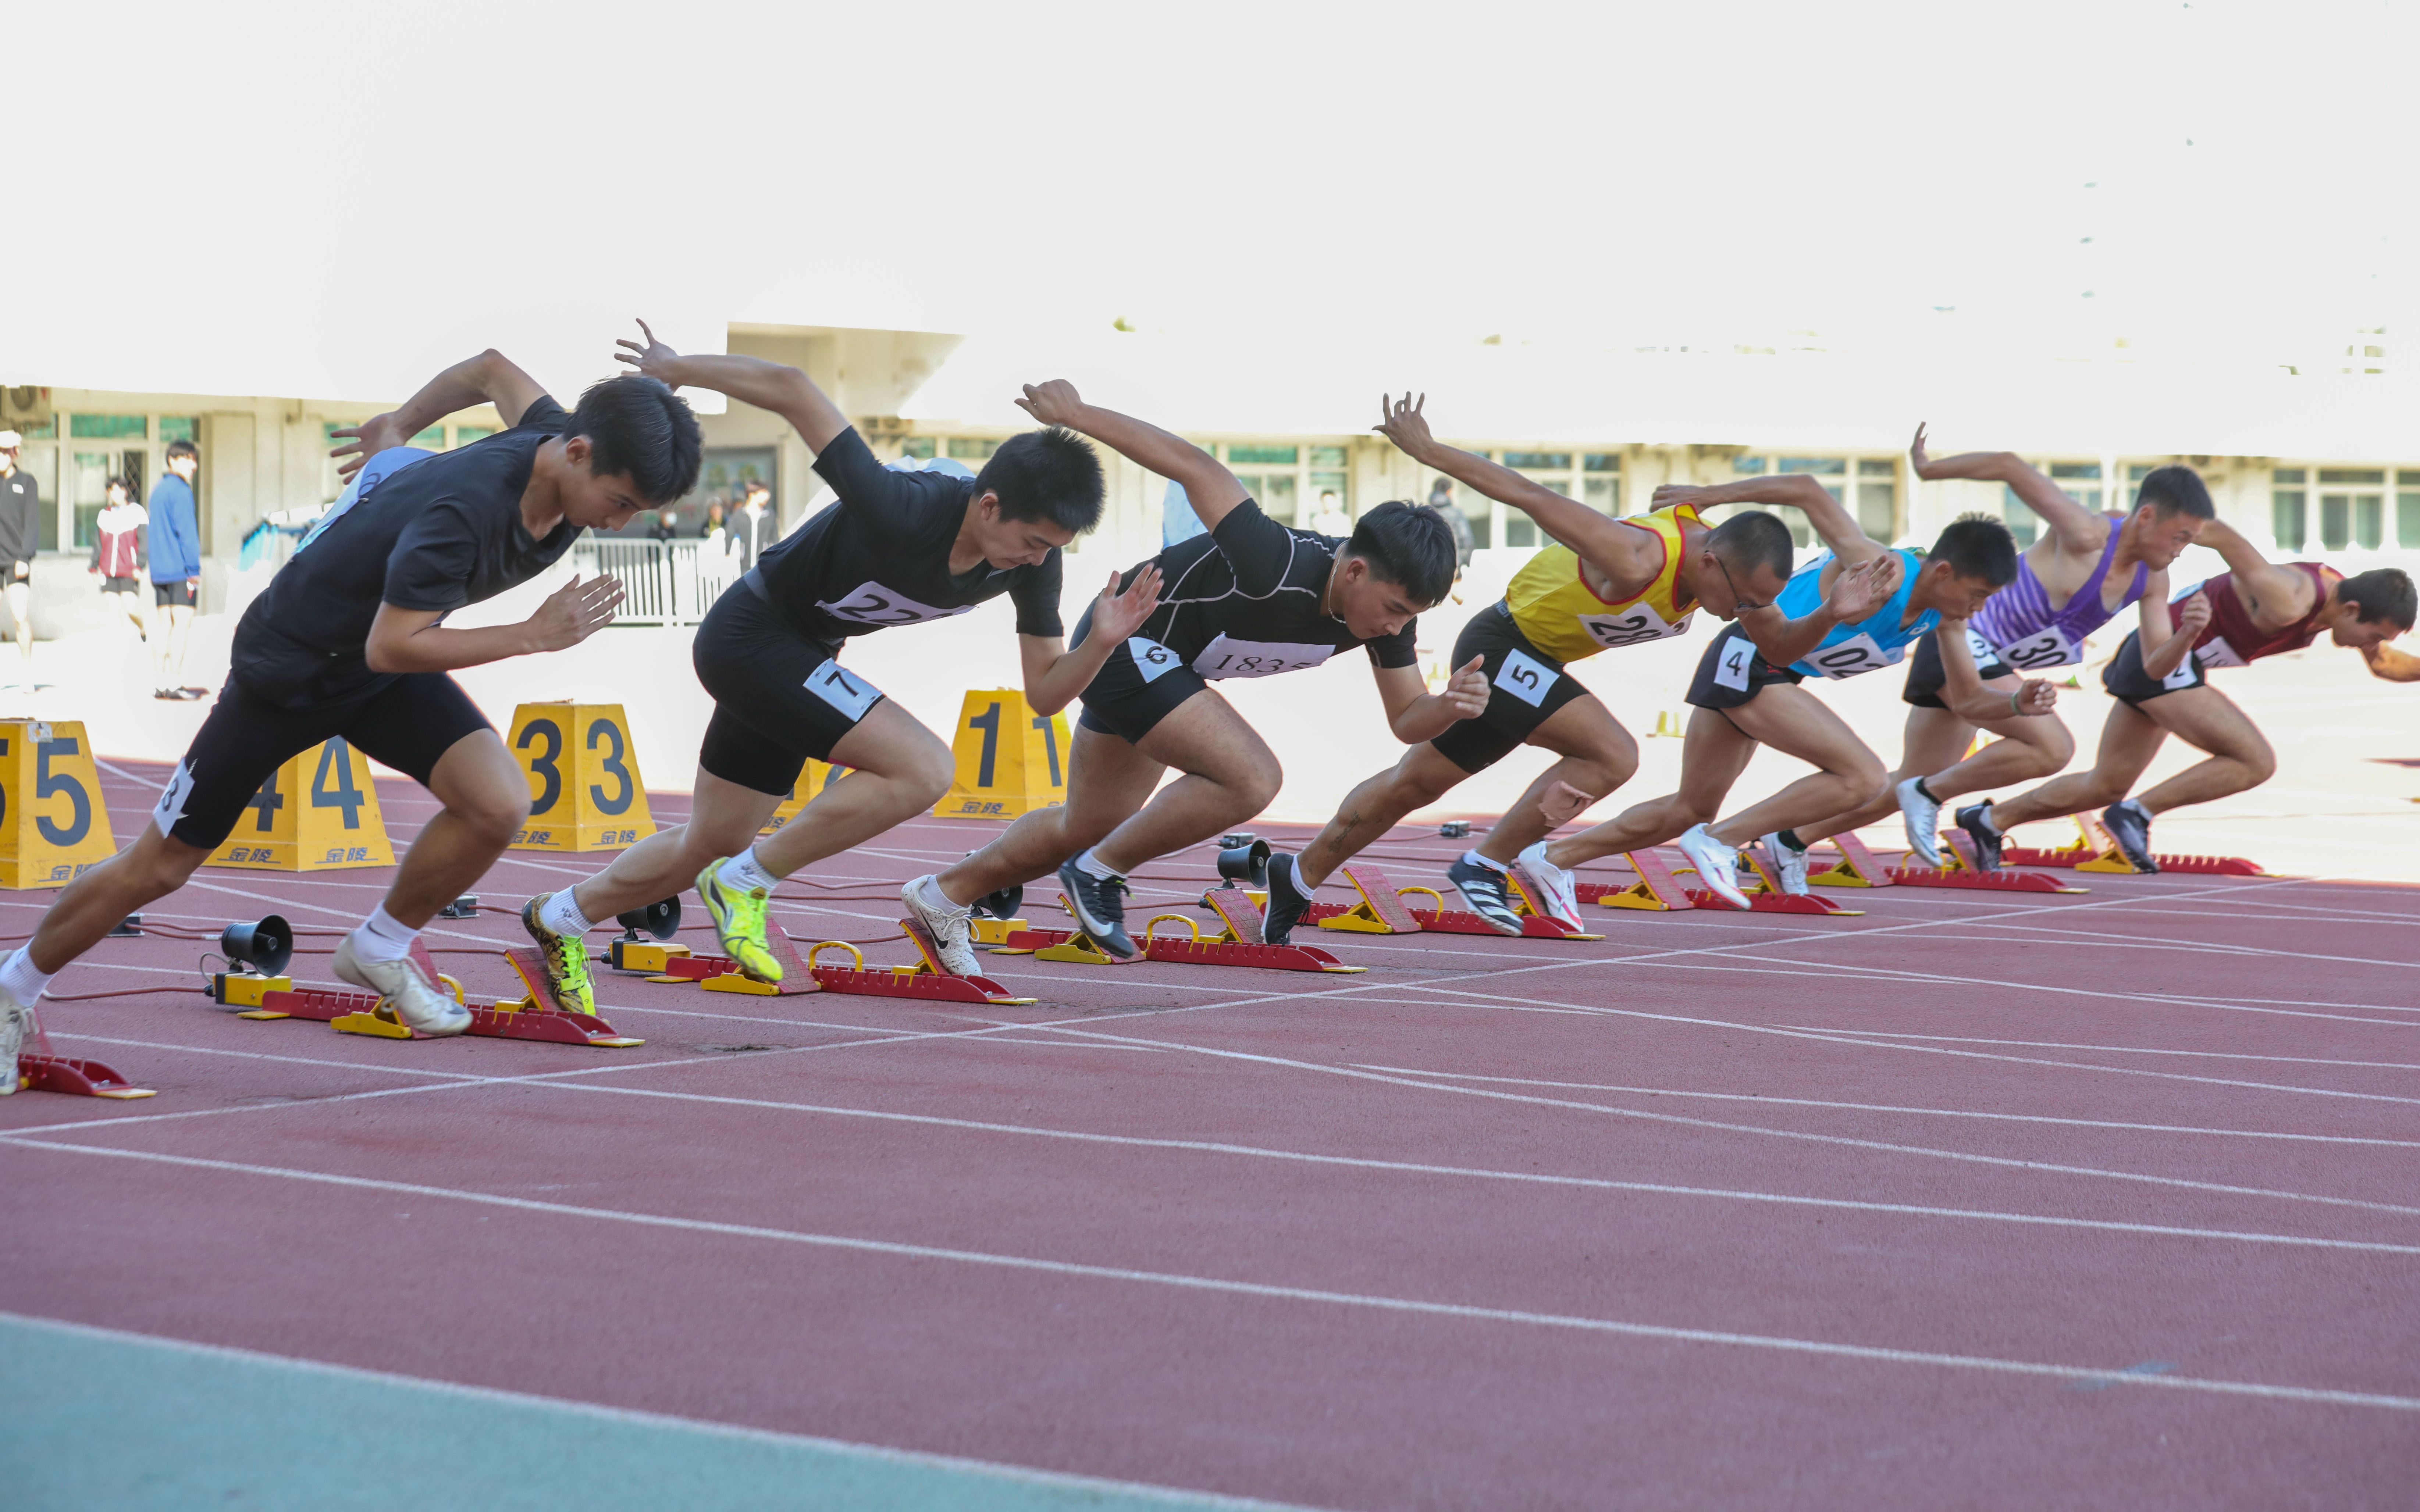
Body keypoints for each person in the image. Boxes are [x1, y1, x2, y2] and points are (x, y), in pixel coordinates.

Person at [0, 346, 696, 1083]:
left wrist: (398, 423)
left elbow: (491, 367)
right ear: (579, 453)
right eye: (619, 503)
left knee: (498, 801)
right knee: (161, 866)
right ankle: (12, 989)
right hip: (290, 672)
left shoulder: (559, 433)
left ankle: (380, 946)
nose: (618, 524)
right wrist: (532, 635)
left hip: (370, 669)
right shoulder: (465, 513)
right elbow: (396, 644)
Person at [518, 325, 1149, 1005]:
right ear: (989, 504)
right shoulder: (904, 508)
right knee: (924, 768)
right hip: (750, 634)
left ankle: (560, 916)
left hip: (799, 656)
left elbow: (1047, 694)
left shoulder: (1033, 566)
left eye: (1050, 548)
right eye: (1029, 542)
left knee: (715, 838)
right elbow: (795, 390)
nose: (1035, 559)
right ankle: (746, 884)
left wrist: (1101, 642)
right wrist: (677, 368)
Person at [1260, 394, 1898, 941]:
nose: (1747, 613)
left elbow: (1781, 649)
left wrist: (1833, 615)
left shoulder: (1737, 580)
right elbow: (1526, 493)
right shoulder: (1637, 556)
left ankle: (1298, 874)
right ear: (1710, 564)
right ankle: (1488, 863)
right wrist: (1428, 451)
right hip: (1506, 641)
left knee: (1414, 785)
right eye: (1744, 599)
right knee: (1613, 755)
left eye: (1759, 602)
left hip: (1534, 662)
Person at [903, 381, 1482, 966]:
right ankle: (1098, 874)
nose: (1395, 628)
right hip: (1127, 634)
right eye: (1395, 611)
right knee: (1251, 778)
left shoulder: (1386, 620)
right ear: (1356, 571)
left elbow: (1409, 721)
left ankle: (943, 894)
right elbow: (1191, 464)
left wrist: (1450, 705)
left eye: (1409, 618)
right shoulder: (1275, 561)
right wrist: (1078, 415)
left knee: (1086, 823)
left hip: (1170, 671)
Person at [1533, 477, 2052, 907]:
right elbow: (1808, 491)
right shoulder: (1882, 567)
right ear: (1943, 572)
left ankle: (1546, 860)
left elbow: (1966, 702)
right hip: (1754, 656)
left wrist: (2014, 704)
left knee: (1689, 807)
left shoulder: (1947, 616)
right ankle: (1720, 843)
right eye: (1979, 594)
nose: (1981, 608)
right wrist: (1710, 496)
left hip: (1771, 670)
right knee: (1863, 777)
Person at [1788, 426, 2213, 866]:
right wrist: (1929, 470)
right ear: (2145, 517)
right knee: (2050, 748)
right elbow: (2009, 466)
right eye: (2179, 536)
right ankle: (1930, 794)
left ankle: (1791, 839)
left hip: (1990, 663)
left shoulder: (2153, 580)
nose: (2182, 549)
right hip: (1962, 634)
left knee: (1905, 784)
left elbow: (2156, 667)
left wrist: (2187, 635)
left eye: (2191, 540)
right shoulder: (2086, 535)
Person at [1969, 518, 2419, 870]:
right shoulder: (2291, 594)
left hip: (2168, 665)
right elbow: (2218, 532)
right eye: (2371, 634)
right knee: (2253, 761)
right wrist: (2139, 538)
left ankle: (1989, 821)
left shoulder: (2344, 611)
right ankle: (2136, 814)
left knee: (2105, 783)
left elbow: (2385, 665)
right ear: (2353, 609)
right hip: (2160, 656)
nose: (2369, 645)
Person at [147, 439, 204, 700]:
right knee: (182, 626)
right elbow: (188, 534)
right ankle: (175, 683)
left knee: (163, 626)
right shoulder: (181, 491)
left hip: (160, 571)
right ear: (172, 460)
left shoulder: (158, 491)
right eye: (187, 459)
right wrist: (194, 568)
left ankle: (159, 682)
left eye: (194, 460)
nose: (193, 465)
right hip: (182, 570)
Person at [0, 429, 41, 684]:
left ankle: (27, 672)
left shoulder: (27, 482)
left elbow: (33, 522)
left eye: (6, 451)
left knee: (19, 615)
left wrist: (25, 557)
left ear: (15, 453)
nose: (2, 456)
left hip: (16, 561)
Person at [89, 477, 149, 642]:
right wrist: (94, 566)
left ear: (125, 491)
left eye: (119, 490)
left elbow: (144, 542)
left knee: (131, 607)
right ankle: (118, 645)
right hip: (108, 570)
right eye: (111, 491)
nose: (115, 494)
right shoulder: (104, 515)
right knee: (114, 610)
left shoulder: (137, 512)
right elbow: (98, 544)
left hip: (129, 570)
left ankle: (143, 627)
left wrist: (140, 566)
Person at [732, 477, 776, 569]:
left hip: (764, 565)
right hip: (743, 566)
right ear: (752, 495)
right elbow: (730, 535)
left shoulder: (769, 515)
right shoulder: (740, 514)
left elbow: (775, 539)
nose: (768, 495)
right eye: (764, 492)